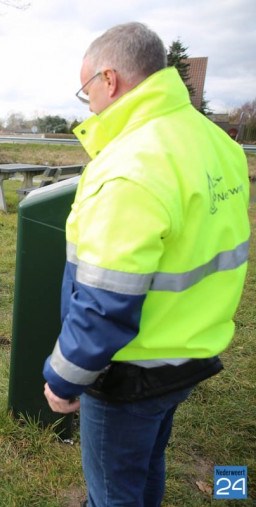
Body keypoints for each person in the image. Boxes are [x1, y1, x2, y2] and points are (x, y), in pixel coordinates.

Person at [42, 22, 249, 506]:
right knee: (145, 466)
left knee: (114, 492)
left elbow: (105, 299)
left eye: (86, 90)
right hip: (190, 352)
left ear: (109, 81)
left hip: (130, 371)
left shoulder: (129, 166)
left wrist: (64, 378)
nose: (88, 105)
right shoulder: (216, 142)